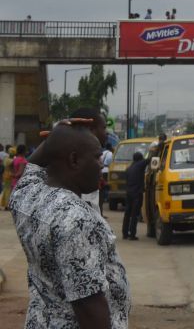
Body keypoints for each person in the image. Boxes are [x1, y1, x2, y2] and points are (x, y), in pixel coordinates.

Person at [10, 123, 130, 329]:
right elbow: (88, 307)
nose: (102, 164)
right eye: (96, 157)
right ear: (74, 160)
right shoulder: (76, 220)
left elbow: (33, 164)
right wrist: (59, 136)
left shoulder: (25, 193)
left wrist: (59, 135)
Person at [122, 152, 148, 241]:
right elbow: (149, 159)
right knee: (134, 214)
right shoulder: (140, 165)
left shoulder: (129, 168)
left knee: (127, 213)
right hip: (136, 194)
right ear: (140, 159)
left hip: (128, 193)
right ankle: (132, 234)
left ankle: (125, 234)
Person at [99, 142, 114, 216]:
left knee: (103, 186)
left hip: (102, 170)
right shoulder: (110, 154)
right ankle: (106, 198)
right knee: (106, 186)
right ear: (110, 147)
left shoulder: (103, 152)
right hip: (107, 170)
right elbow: (110, 162)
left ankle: (104, 198)